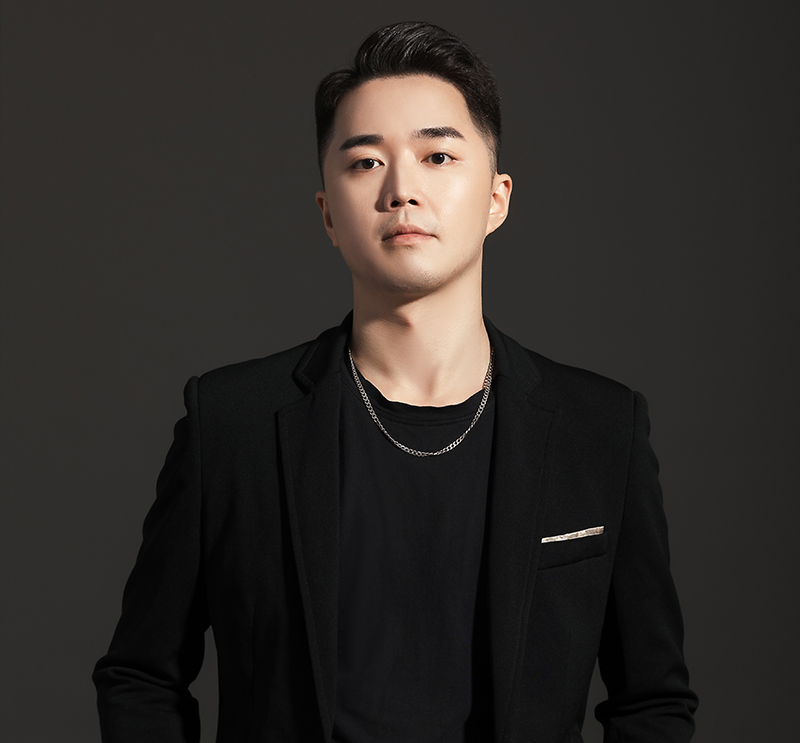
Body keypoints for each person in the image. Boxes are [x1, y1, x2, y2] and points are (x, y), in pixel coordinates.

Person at [93, 21, 698, 743]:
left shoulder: (601, 428)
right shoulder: (231, 422)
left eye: (437, 156)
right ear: (328, 214)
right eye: (365, 163)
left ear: (497, 198)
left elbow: (652, 700)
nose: (402, 190)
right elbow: (141, 677)